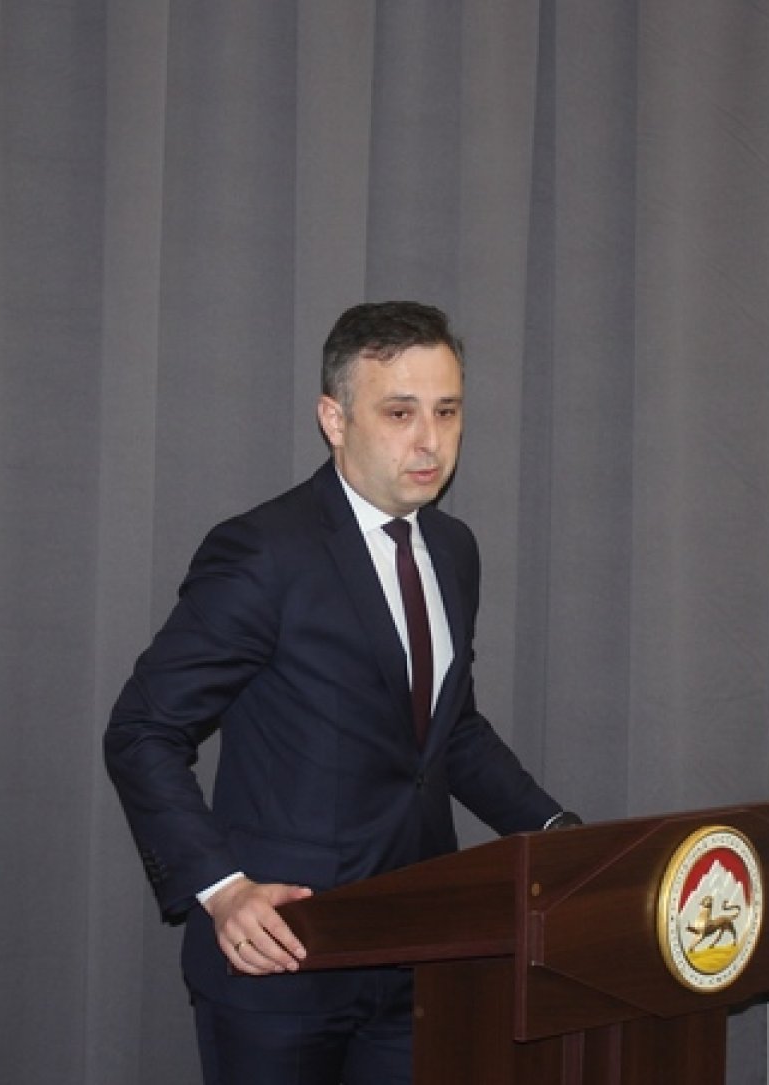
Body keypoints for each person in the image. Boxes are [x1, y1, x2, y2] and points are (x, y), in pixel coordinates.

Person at [105, 300, 579, 1085]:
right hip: (283, 961)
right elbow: (143, 729)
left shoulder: (454, 550)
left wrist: (558, 834)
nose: (430, 440)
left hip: (419, 951)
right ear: (334, 418)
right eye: (399, 412)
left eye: (447, 411)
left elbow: (448, 731)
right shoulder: (264, 552)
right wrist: (221, 888)